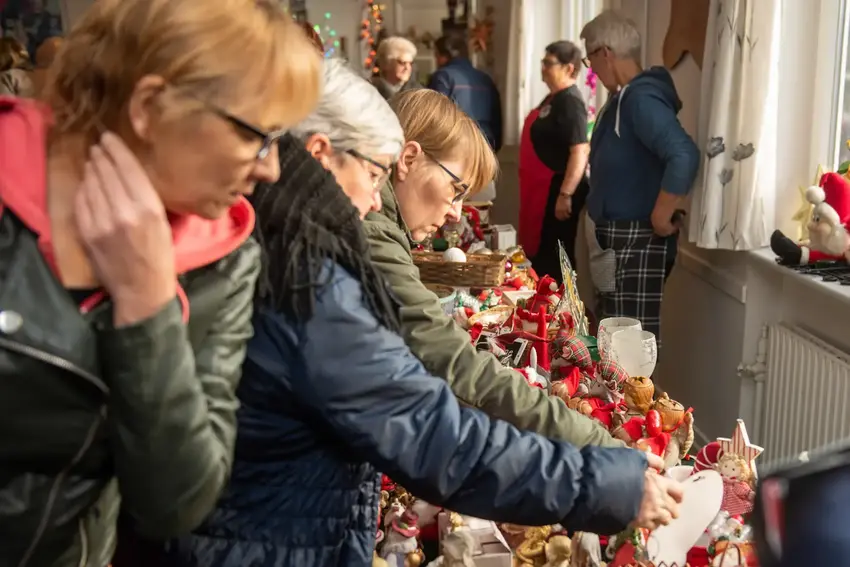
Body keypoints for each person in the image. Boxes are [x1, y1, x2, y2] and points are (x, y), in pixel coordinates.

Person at [170, 58, 683, 567]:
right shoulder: (308, 274)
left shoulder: (288, 239)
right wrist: (609, 481)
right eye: (374, 174)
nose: (375, 201)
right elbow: (436, 439)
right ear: (324, 155)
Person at [0, 0, 321, 565]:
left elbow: (176, 501)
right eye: (257, 136)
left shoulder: (223, 259)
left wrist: (148, 301)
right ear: (149, 105)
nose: (271, 169)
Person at [365, 88, 621, 449]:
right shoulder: (374, 234)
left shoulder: (381, 229)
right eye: (455, 190)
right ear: (408, 158)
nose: (456, 212)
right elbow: (458, 365)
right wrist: (600, 444)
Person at [580, 10, 699, 341]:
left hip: (636, 241)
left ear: (605, 52)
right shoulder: (623, 97)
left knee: (627, 348)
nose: (592, 69)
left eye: (591, 60)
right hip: (616, 242)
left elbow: (683, 153)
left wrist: (662, 213)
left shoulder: (640, 98)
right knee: (612, 342)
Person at [525, 40, 591, 282]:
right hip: (543, 188)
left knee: (555, 257)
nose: (543, 68)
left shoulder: (570, 102)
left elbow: (580, 151)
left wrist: (565, 194)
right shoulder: (552, 99)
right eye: (543, 62)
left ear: (569, 68)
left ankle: (557, 314)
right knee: (542, 254)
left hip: (560, 190)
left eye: (549, 63)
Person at [428, 34, 501, 201]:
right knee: (481, 215)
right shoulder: (485, 79)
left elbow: (435, 121)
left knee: (452, 216)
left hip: (451, 160)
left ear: (443, 56)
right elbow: (498, 124)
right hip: (484, 158)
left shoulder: (442, 77)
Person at [372, 35, 420, 100]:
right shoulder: (369, 89)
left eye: (410, 63)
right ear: (385, 63)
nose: (407, 68)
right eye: (402, 62)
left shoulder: (419, 93)